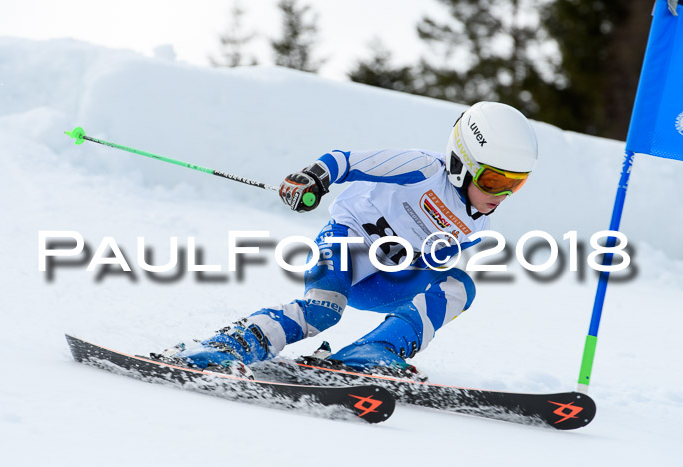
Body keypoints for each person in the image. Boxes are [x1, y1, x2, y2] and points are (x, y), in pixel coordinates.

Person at [155, 101, 539, 378]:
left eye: (514, 184)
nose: (501, 195)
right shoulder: (423, 169)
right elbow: (346, 160)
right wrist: (312, 178)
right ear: (461, 163)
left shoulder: (476, 228)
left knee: (459, 285)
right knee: (322, 311)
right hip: (345, 243)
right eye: (494, 180)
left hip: (385, 280)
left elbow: (429, 269)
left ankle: (374, 352)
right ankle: (225, 347)